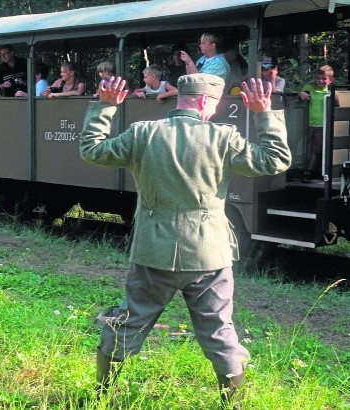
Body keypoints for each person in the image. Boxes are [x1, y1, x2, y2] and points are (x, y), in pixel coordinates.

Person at [80, 73, 291, 409]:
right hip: (209, 255)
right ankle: (231, 406)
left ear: (183, 98)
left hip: (152, 252)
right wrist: (264, 113)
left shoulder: (143, 133)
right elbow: (275, 160)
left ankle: (99, 397)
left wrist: (104, 109)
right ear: (207, 101)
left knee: (127, 322)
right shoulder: (223, 137)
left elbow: (92, 150)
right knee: (220, 332)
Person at [298, 65, 337, 182]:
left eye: (324, 78)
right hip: (307, 124)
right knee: (303, 147)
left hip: (321, 125)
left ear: (330, 80)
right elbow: (300, 96)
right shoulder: (309, 87)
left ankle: (309, 171)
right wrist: (301, 94)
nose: (320, 81)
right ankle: (300, 169)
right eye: (318, 78)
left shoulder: (330, 91)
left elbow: (338, 106)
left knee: (316, 149)